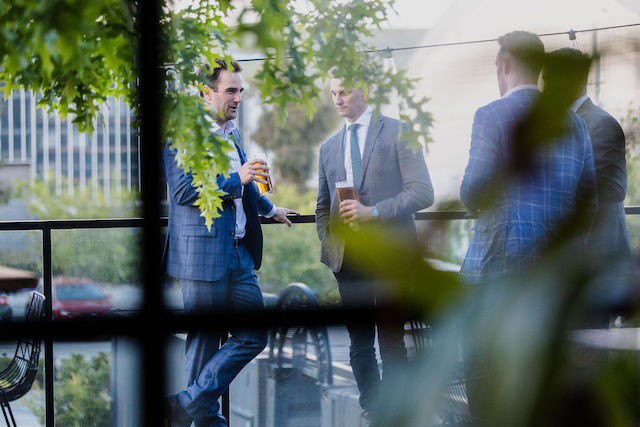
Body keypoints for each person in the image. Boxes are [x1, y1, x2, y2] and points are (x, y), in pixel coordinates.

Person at [163, 58, 298, 427]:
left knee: (255, 334)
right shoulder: (184, 134)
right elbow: (183, 190)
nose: (238, 98)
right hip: (201, 258)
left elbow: (245, 187)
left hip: (240, 256)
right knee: (204, 345)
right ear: (207, 93)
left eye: (240, 91)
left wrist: (269, 208)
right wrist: (237, 176)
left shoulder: (233, 134)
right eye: (231, 91)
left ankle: (185, 402)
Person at [315, 68, 434, 424]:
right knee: (360, 343)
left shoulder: (399, 132)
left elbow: (423, 192)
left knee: (393, 342)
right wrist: (329, 241)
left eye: (344, 91)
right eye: (333, 93)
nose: (337, 99)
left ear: (364, 90)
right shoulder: (328, 147)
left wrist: (375, 212)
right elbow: (323, 206)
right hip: (348, 262)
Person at [460, 31, 597, 285]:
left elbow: (474, 190)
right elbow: (589, 201)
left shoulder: (491, 115)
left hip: (503, 261)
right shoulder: (576, 123)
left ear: (506, 64)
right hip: (561, 263)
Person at [546, 47, 633, 327]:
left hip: (597, 261)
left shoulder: (601, 124)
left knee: (593, 346)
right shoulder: (557, 125)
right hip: (572, 263)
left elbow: (614, 187)